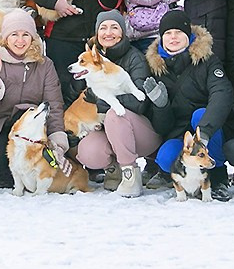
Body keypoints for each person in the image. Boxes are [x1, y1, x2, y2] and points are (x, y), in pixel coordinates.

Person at [63, 10, 163, 195]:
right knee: (88, 152)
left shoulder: (135, 58)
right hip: (106, 130)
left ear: (123, 32)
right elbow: (74, 95)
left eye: (114, 27)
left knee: (115, 115)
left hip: (140, 131)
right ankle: (113, 169)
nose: (108, 33)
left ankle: (130, 173)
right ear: (97, 33)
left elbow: (140, 102)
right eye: (103, 28)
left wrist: (101, 102)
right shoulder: (86, 61)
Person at [0, 9, 67, 189]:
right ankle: (6, 175)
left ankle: (31, 174)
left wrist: (58, 142)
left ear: (32, 38)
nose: (20, 40)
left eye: (25, 35)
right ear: (5, 38)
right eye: (14, 34)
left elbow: (54, 104)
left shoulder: (44, 65)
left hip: (31, 127)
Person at [146, 10, 234, 199]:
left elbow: (222, 93)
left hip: (207, 126)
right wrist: (160, 106)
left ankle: (217, 177)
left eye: (179, 32)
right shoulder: (155, 68)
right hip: (178, 131)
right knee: (166, 157)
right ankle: (180, 177)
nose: (173, 37)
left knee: (200, 115)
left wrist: (205, 132)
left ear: (189, 34)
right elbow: (162, 126)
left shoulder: (207, 60)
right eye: (168, 33)